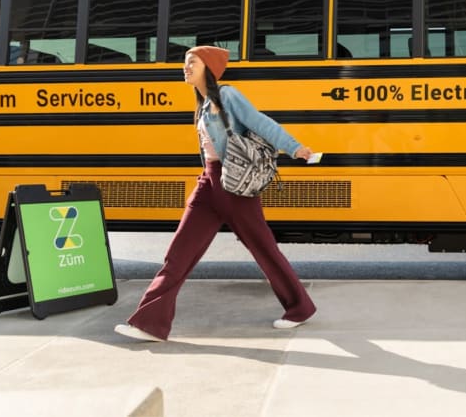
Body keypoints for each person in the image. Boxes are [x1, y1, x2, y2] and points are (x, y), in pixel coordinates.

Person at [114, 46, 317, 341]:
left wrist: (295, 147)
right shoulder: (202, 105)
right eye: (185, 63)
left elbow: (260, 123)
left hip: (234, 186)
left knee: (264, 249)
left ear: (207, 67)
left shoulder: (227, 96)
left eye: (191, 63)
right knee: (179, 254)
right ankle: (150, 323)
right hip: (208, 185)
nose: (185, 68)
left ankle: (299, 308)